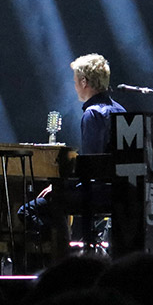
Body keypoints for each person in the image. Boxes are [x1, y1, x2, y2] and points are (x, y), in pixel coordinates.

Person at [20, 54, 125, 252]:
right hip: (121, 191)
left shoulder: (92, 113)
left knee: (27, 210)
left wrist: (59, 186)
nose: (75, 85)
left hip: (98, 193)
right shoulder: (121, 110)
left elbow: (92, 167)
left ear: (84, 82)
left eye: (76, 80)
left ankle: (57, 254)